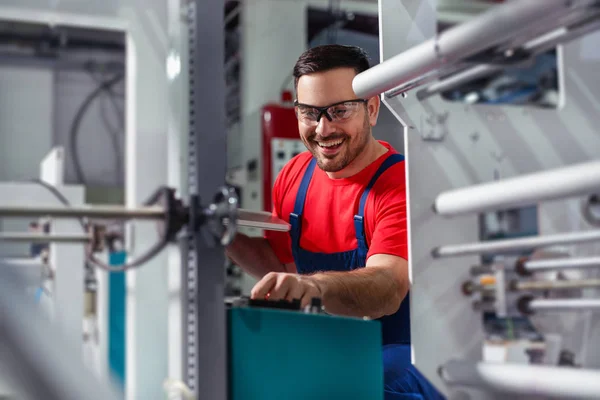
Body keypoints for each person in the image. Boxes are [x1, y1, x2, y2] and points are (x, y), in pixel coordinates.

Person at [226, 44, 444, 400]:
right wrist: (222, 234)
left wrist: (315, 288)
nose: (323, 130)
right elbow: (283, 267)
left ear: (371, 109)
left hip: (406, 355)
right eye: (309, 113)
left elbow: (386, 288)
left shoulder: (401, 182)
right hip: (332, 342)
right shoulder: (294, 176)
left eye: (339, 111)